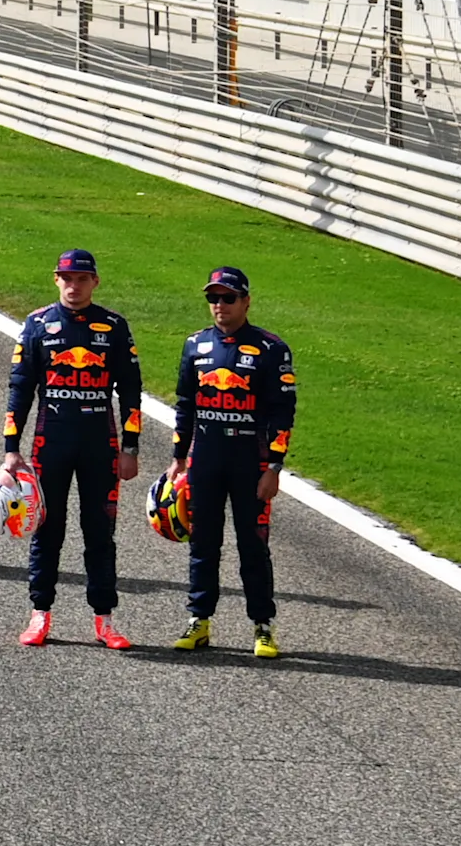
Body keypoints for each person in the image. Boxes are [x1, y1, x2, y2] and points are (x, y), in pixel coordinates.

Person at [0, 248, 143, 649]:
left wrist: (130, 447)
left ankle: (105, 620)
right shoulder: (37, 325)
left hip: (101, 442)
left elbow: (131, 391)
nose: (73, 286)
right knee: (47, 530)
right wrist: (12, 449)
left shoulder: (114, 327)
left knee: (100, 533)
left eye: (82, 278)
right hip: (52, 441)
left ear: (95, 281)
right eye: (67, 278)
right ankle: (39, 614)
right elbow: (19, 389)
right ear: (55, 279)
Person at [172, 265, 296, 657]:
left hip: (251, 463)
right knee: (203, 544)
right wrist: (178, 460)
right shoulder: (195, 345)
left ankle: (262, 626)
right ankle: (199, 620)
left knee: (253, 547)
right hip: (206, 461)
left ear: (246, 301)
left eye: (227, 298)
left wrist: (274, 467)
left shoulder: (272, 349)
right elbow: (185, 406)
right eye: (213, 298)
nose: (219, 306)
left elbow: (283, 415)